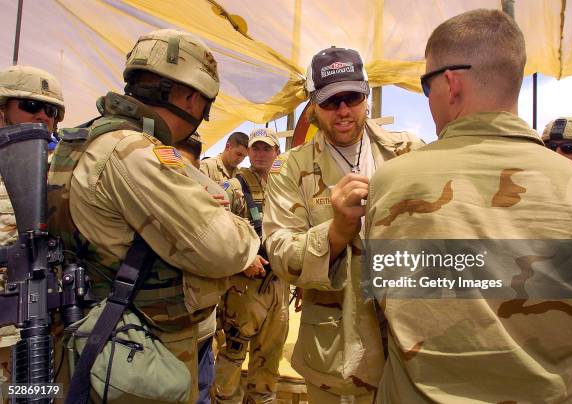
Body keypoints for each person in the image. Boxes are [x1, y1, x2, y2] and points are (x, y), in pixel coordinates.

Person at [365, 9, 572, 403]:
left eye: (426, 87)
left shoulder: (393, 184)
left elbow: (378, 320)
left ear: (451, 83)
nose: (428, 101)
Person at [47, 29, 262, 403]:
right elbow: (225, 247)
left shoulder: (94, 137)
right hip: (137, 346)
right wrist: (240, 230)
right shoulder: (132, 150)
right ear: (194, 98)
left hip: (104, 334)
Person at [263, 46, 423, 403]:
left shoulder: (408, 152)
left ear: (366, 95)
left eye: (352, 97)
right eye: (331, 101)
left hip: (408, 343)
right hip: (337, 354)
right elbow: (281, 255)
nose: (343, 111)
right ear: (313, 107)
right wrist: (336, 233)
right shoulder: (291, 168)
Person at [0, 65, 65, 390]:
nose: (41, 116)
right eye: (29, 106)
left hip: (46, 332)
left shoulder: (64, 175)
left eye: (50, 110)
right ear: (2, 110)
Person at [214, 128, 289, 404]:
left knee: (269, 357)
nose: (259, 154)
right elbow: (218, 230)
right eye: (255, 148)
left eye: (266, 149)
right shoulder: (234, 186)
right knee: (232, 354)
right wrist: (244, 258)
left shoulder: (285, 187)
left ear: (276, 153)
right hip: (244, 288)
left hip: (279, 286)